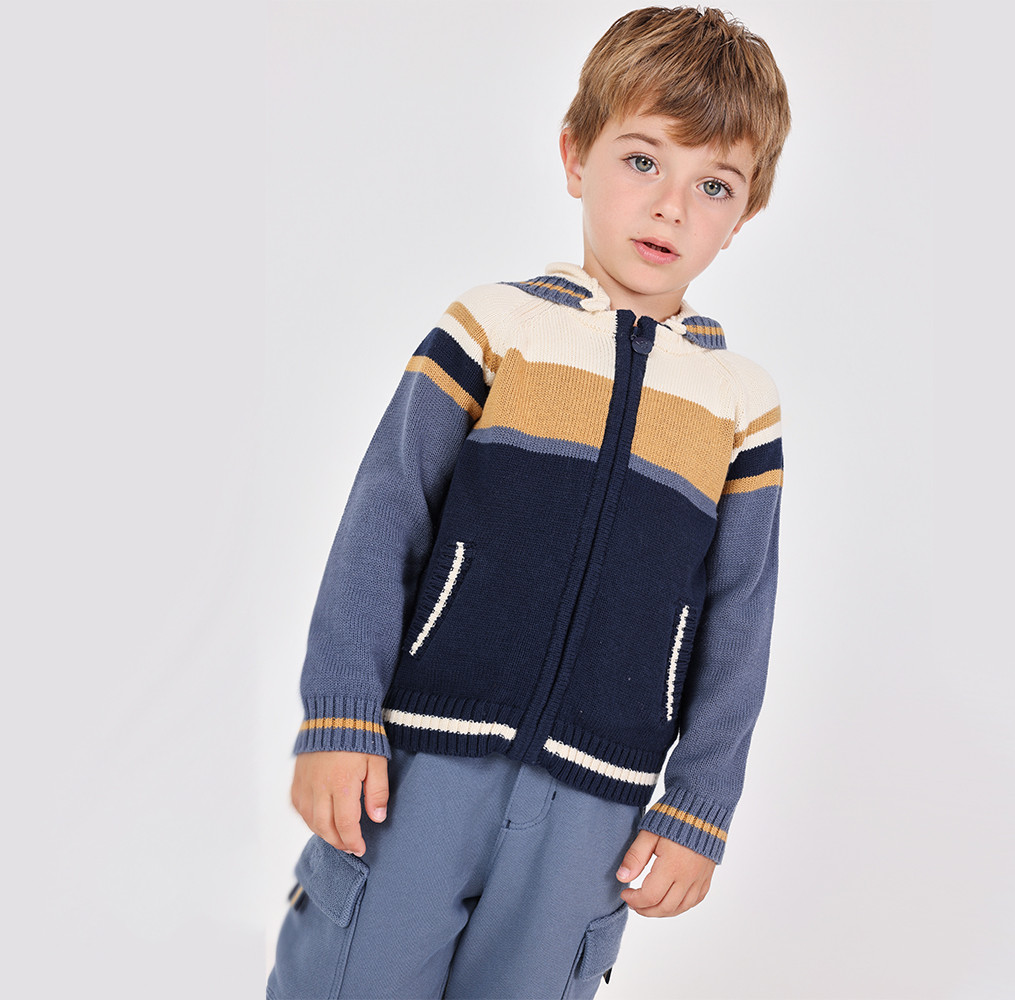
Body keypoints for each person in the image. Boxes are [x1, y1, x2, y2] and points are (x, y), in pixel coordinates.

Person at [267, 6, 790, 998]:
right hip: (416, 765)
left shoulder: (740, 407)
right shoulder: (492, 329)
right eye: (643, 160)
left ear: (744, 213)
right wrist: (339, 714)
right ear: (575, 154)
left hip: (596, 805)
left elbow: (741, 619)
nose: (670, 208)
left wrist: (700, 805)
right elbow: (383, 522)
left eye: (713, 185)